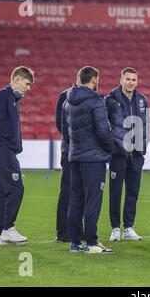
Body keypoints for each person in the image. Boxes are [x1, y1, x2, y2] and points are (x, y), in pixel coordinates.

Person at [61, 66, 115, 254]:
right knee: (93, 200)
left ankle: (75, 243)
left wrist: (74, 149)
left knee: (76, 200)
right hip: (93, 160)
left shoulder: (67, 102)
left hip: (75, 157)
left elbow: (65, 132)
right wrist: (111, 149)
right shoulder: (95, 101)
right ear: (93, 80)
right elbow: (103, 131)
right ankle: (92, 243)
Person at [105, 68, 150, 241]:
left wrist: (143, 147)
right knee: (115, 192)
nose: (131, 82)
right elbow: (105, 126)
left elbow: (147, 125)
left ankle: (129, 228)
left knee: (133, 192)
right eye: (128, 79)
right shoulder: (110, 100)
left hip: (137, 155)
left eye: (134, 80)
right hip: (118, 154)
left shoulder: (142, 100)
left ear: (137, 82)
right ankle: (115, 228)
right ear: (121, 80)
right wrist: (113, 147)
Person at [0, 66, 34, 246]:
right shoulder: (4, 95)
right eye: (27, 83)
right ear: (16, 79)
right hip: (3, 149)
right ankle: (9, 228)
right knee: (17, 188)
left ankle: (2, 233)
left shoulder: (14, 99)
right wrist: (13, 143)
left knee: (2, 193)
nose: (28, 88)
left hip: (4, 149)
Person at [54, 76, 81, 243]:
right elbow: (60, 123)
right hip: (70, 150)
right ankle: (62, 231)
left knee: (82, 192)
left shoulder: (90, 96)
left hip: (85, 152)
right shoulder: (65, 96)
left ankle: (79, 229)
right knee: (67, 191)